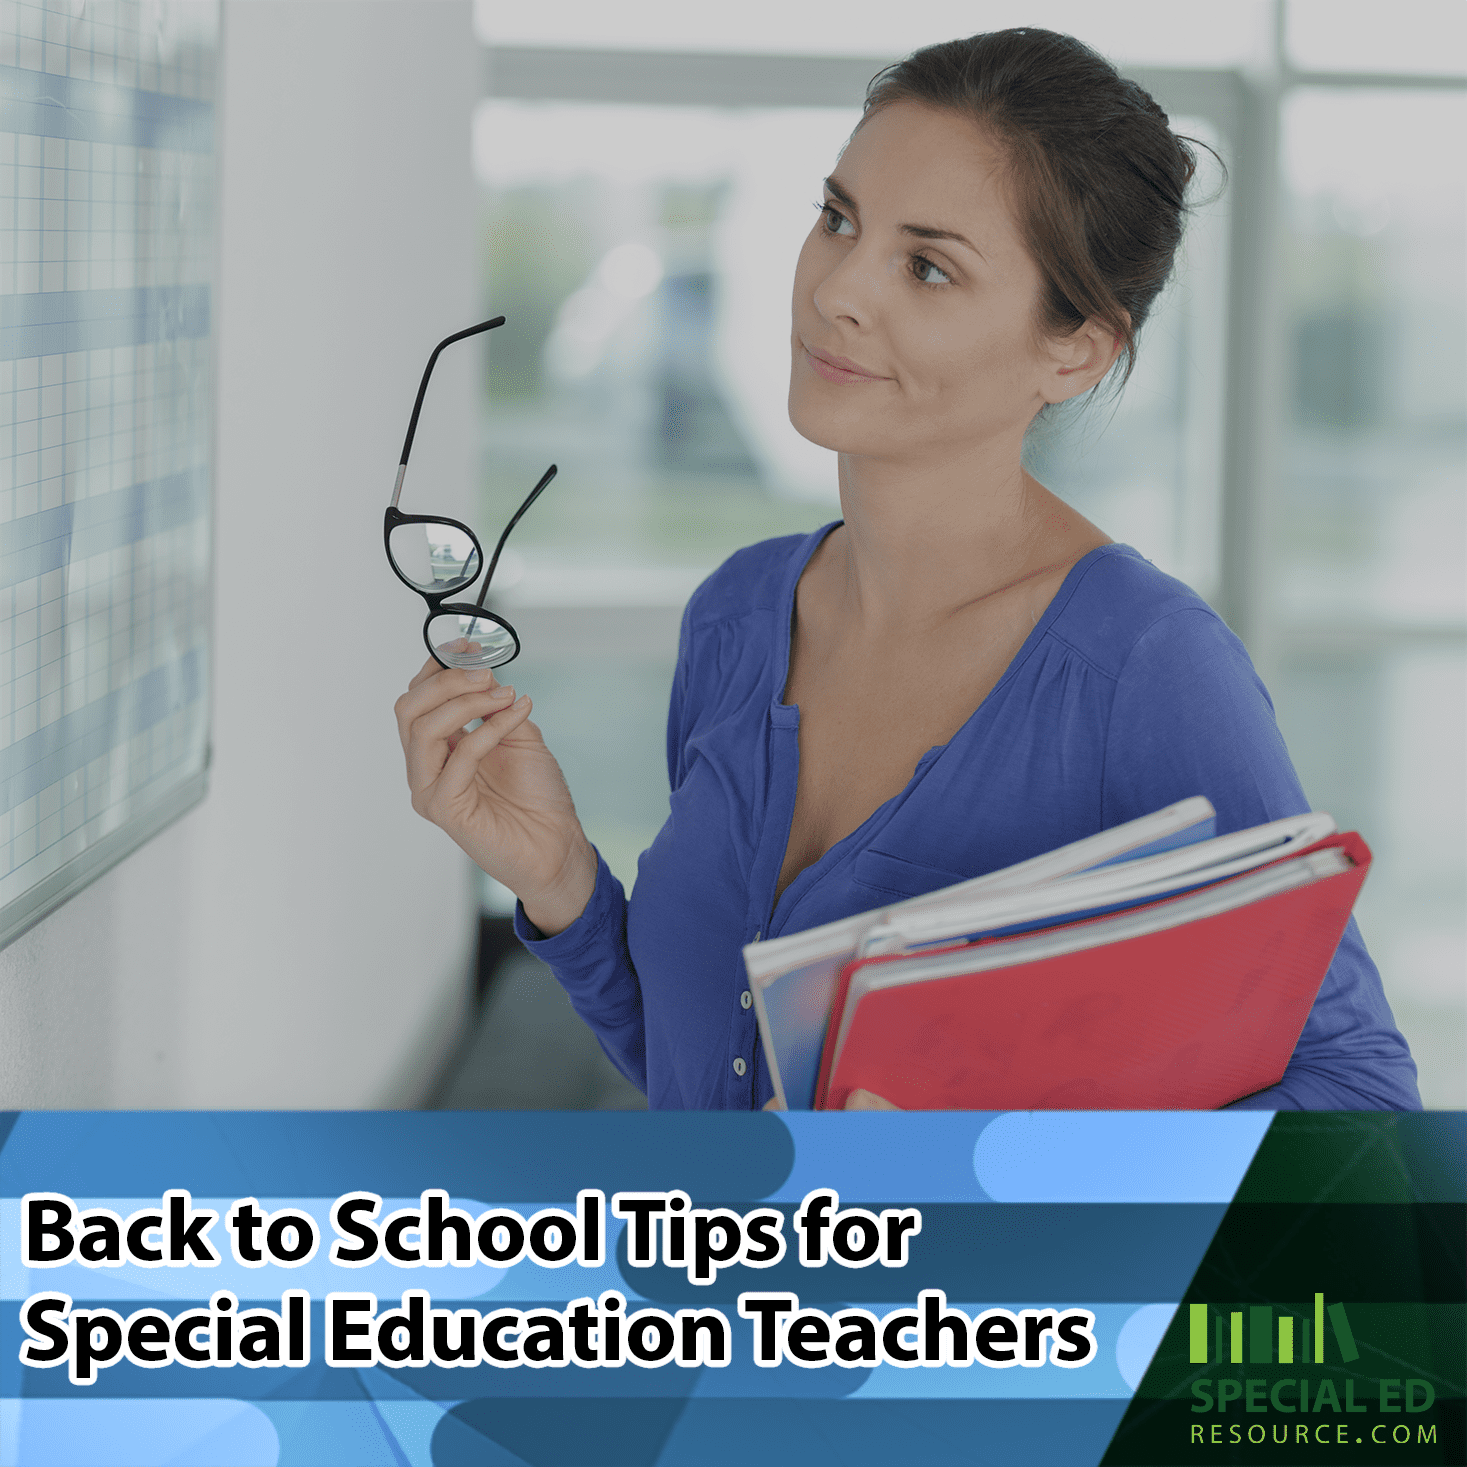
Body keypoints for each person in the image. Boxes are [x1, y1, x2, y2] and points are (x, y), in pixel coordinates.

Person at [394, 28, 1420, 1112]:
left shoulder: (1145, 672)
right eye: (838, 217)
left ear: (1073, 351)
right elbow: (706, 1080)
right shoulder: (737, 618)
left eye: (927, 265)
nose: (837, 287)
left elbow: (1358, 1095)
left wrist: (1024, 1179)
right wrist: (560, 880)